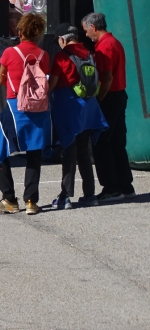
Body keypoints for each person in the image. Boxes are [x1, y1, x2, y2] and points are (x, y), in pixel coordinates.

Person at [0, 13, 51, 215]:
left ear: (20, 31)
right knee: (34, 152)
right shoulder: (43, 55)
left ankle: (9, 198)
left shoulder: (10, 53)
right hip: (40, 109)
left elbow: (1, 80)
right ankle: (31, 201)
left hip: (16, 107)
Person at [48, 24, 108, 209]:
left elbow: (52, 85)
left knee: (69, 152)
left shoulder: (61, 56)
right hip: (88, 108)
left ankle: (65, 196)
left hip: (68, 107)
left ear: (63, 39)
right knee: (83, 151)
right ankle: (89, 194)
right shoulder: (90, 53)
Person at [82, 12, 135, 202]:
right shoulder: (115, 42)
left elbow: (107, 77)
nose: (86, 34)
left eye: (86, 30)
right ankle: (125, 185)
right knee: (117, 142)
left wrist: (99, 99)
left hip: (110, 97)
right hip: (119, 96)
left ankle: (111, 187)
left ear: (93, 27)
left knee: (101, 142)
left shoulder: (105, 46)